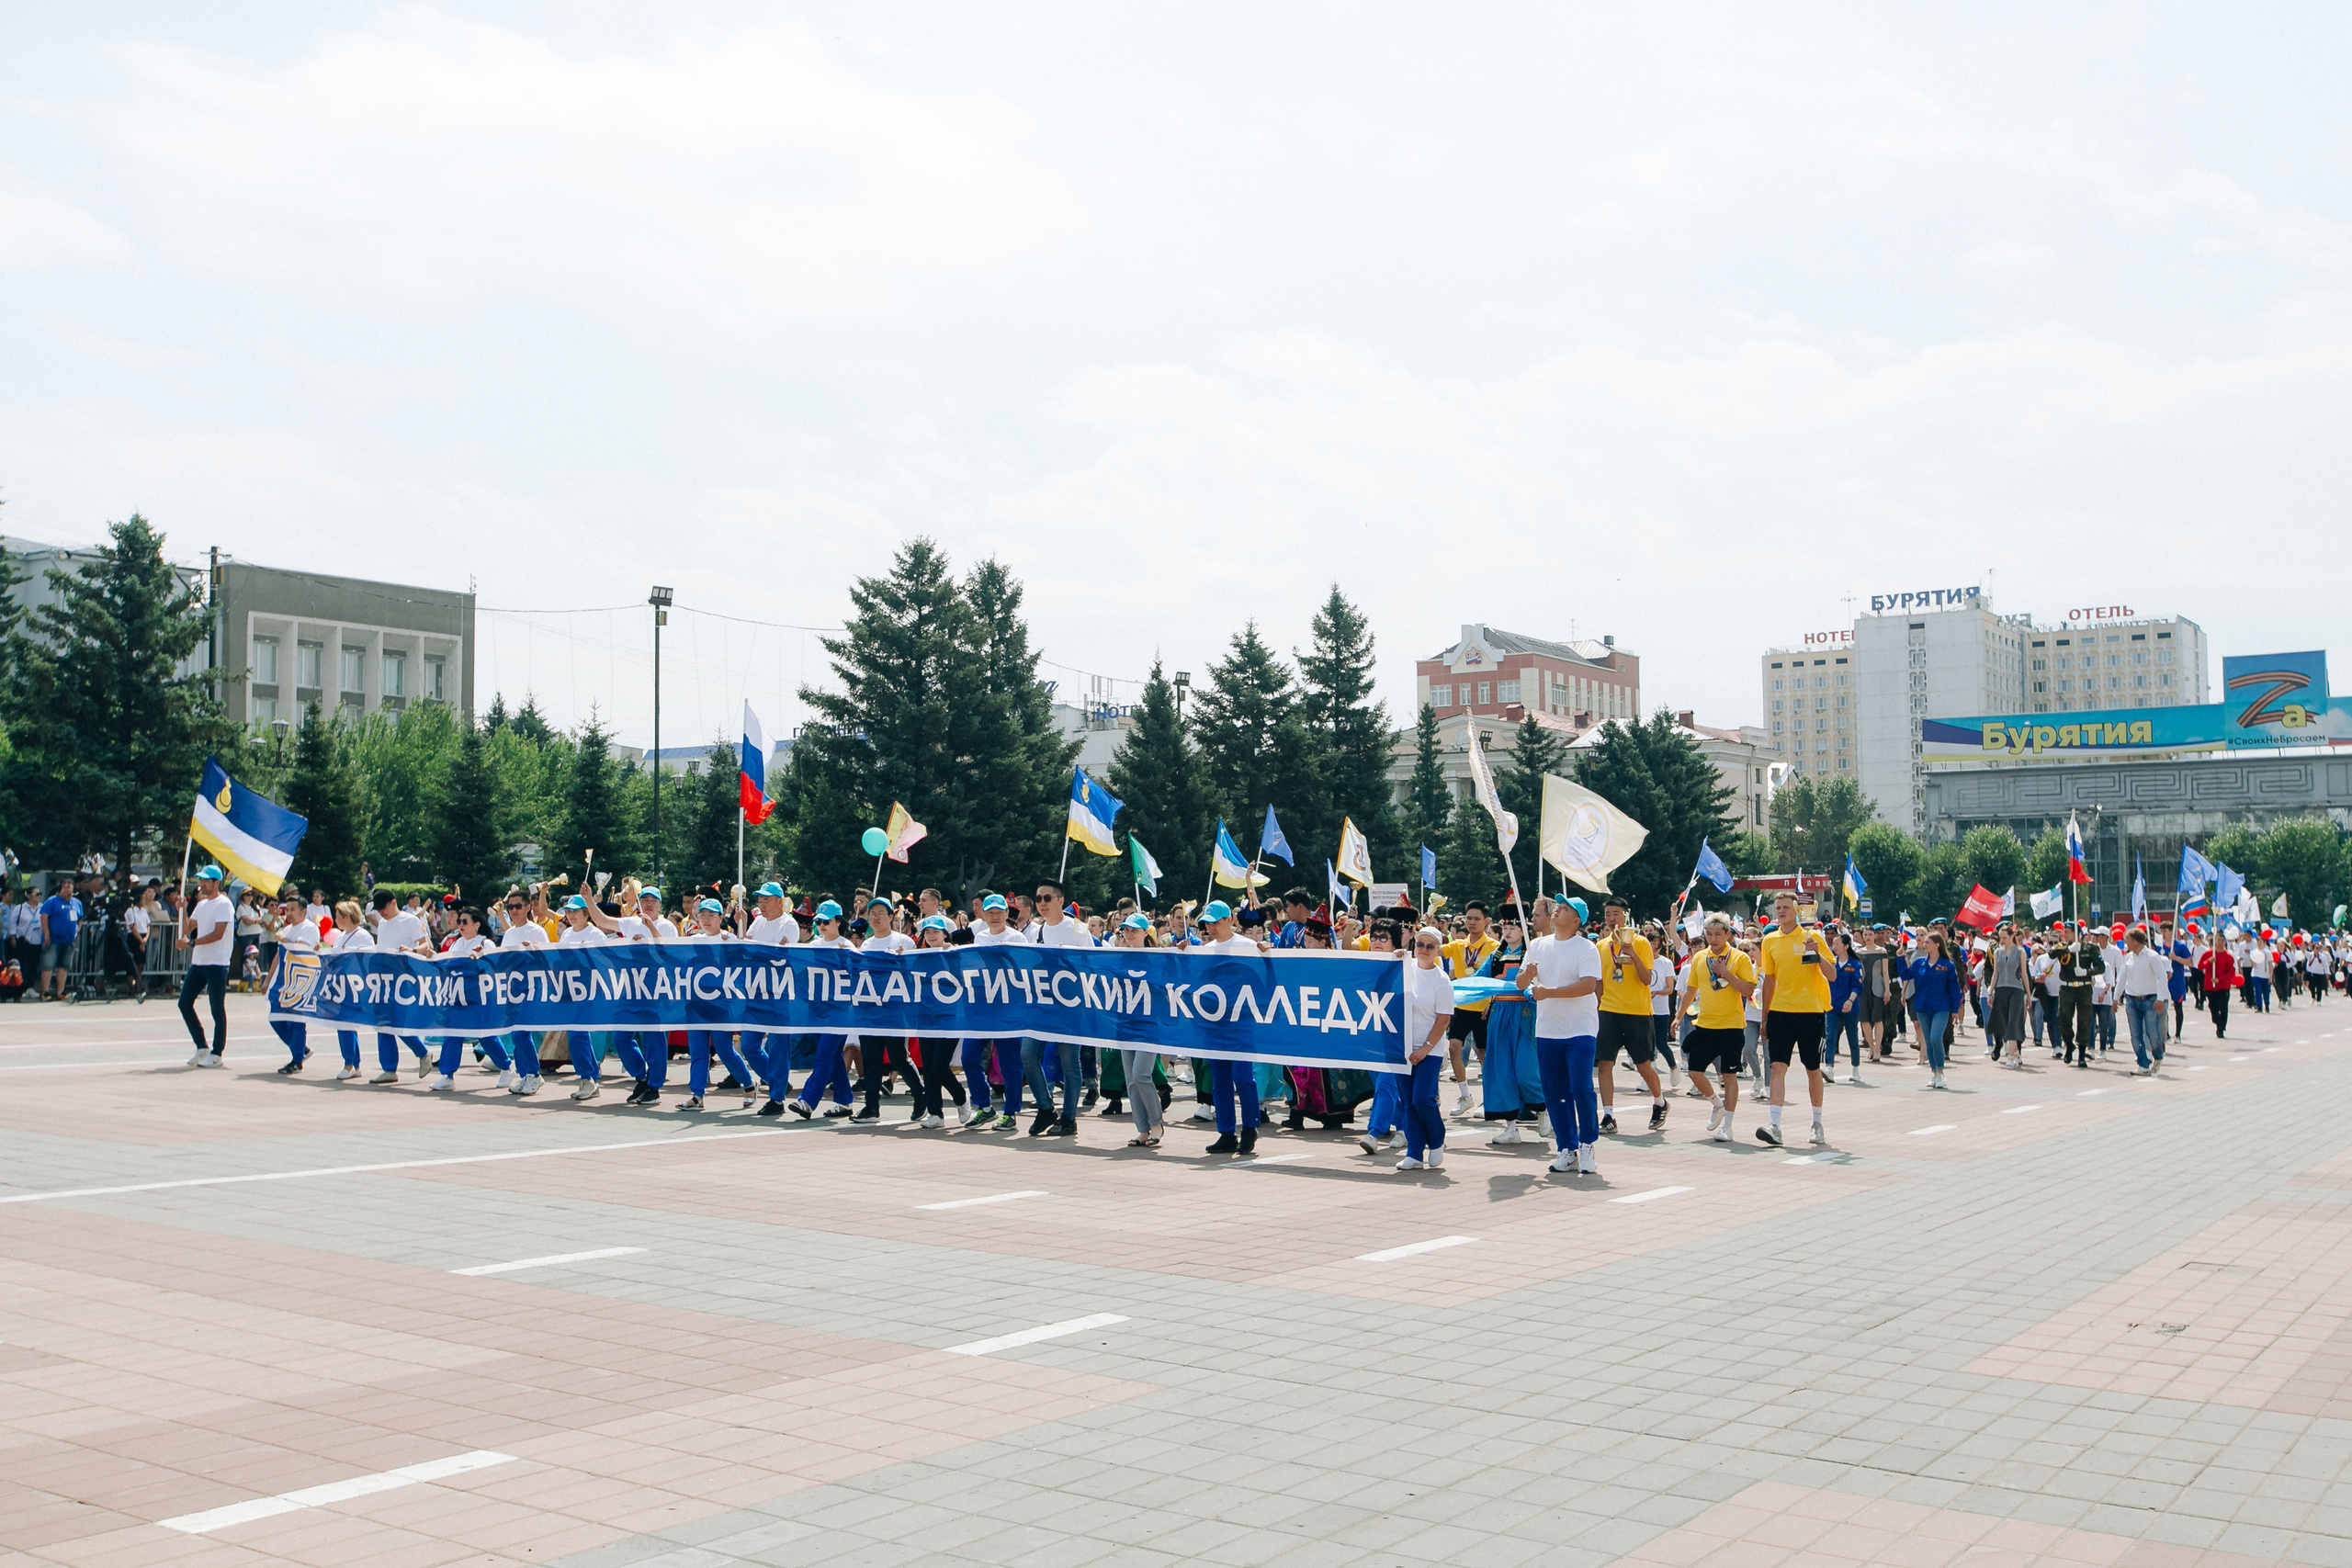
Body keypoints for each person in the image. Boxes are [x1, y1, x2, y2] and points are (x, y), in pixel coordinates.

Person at [1521, 897, 1602, 1175]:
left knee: (1580, 1088)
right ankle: (1567, 1149)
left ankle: (1588, 1142)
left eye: (1564, 909)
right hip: (1548, 1030)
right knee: (1554, 1093)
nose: (1557, 910)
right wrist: (1528, 975)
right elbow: (1521, 983)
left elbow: (1588, 986)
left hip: (1580, 1029)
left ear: (1576, 920)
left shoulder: (1586, 948)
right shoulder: (1537, 946)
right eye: (1557, 907)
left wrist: (1549, 992)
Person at [1755, 891, 1832, 1148]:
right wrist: (1764, 1017)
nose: (1781, 911)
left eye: (1786, 907)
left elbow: (1831, 975)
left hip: (1810, 1011)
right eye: (1778, 907)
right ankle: (1774, 1125)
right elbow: (1769, 980)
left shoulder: (1813, 936)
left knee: (1812, 1069)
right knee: (1777, 1066)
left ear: (1797, 910)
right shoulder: (1770, 940)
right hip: (1780, 1012)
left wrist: (1817, 954)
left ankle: (1817, 1123)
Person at [1021, 879, 1092, 1138]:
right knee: (1028, 1053)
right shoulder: (1035, 931)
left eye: (1047, 898)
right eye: (1039, 898)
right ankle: (1045, 1108)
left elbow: (1092, 964)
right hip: (1041, 1003)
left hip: (1069, 1005)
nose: (1042, 903)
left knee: (1069, 1061)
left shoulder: (1078, 930)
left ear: (1061, 900)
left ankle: (1069, 1117)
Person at [1196, 900, 1267, 1156]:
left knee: (1242, 1077)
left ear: (1230, 920)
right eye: (1208, 922)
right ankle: (1226, 1132)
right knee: (1220, 1082)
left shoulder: (1248, 947)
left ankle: (1250, 1127)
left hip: (1242, 1025)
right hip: (1214, 1026)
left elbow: (1268, 978)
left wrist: (1268, 952)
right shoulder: (1206, 950)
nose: (1211, 927)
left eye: (1216, 922)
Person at [1677, 914, 1755, 1143]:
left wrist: (1726, 973)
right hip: (1705, 1025)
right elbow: (1691, 990)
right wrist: (1678, 1016)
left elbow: (1748, 990)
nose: (1713, 939)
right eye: (1709, 934)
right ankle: (1716, 1104)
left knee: (1729, 1076)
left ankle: (1728, 1126)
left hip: (1731, 1026)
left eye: (1718, 934)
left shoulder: (1740, 958)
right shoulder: (1700, 958)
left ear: (1728, 934)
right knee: (1694, 1072)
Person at [1592, 897, 1667, 1134]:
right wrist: (1595, 1009)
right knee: (1605, 1063)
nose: (1612, 919)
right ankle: (1609, 1114)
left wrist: (1632, 954)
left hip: (1637, 1012)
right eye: (1607, 914)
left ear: (1626, 916)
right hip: (1608, 1011)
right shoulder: (1601, 946)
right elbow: (1600, 982)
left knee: (1643, 1065)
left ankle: (1660, 1102)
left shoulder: (1641, 943)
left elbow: (1647, 979)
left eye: (1616, 913)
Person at [1393, 927, 1456, 1172]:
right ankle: (1414, 1152)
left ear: (1438, 950)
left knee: (1423, 1098)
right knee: (1408, 1101)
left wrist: (1425, 1048)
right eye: (1420, 945)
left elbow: (1443, 1020)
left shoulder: (1442, 980)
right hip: (1403, 1047)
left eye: (1431, 946)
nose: (1424, 950)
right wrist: (1393, 957)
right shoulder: (1405, 968)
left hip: (1430, 1048)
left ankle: (1437, 1138)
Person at [786, 902, 857, 1120]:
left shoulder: (847, 946)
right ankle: (844, 1100)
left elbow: (858, 977)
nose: (822, 925)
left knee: (824, 1056)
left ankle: (807, 1100)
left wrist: (849, 961)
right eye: (818, 921)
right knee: (832, 1056)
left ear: (838, 922)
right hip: (816, 1010)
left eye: (826, 921)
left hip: (839, 1011)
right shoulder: (813, 945)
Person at [1439, 903, 1501, 1117]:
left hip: (1484, 1008)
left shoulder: (1495, 946)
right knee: (1454, 1048)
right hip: (1461, 1006)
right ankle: (1465, 1096)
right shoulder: (1457, 945)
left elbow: (1499, 977)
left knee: (1484, 1055)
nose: (1472, 922)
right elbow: (1431, 949)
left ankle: (1489, 1099)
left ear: (1486, 921)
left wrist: (1492, 1002)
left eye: (1476, 918)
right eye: (1468, 918)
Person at [1357, 920, 1407, 1156]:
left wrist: (1403, 959)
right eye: (1374, 936)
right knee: (1383, 1085)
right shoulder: (1362, 967)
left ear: (1395, 942)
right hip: (1371, 1037)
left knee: (1386, 1082)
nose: (1377, 941)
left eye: (1383, 937)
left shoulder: (1405, 965)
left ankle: (1374, 1132)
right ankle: (1407, 1126)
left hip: (1399, 1039)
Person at [176, 866, 236, 1065]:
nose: (201, 884)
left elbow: (218, 934)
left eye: (205, 880)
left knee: (216, 1008)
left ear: (216, 882)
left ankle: (217, 1053)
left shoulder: (224, 904)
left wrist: (191, 943)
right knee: (184, 1003)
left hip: (217, 963)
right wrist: (182, 910)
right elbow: (188, 928)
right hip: (199, 962)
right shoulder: (201, 905)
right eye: (200, 880)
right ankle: (202, 1046)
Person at [1906, 931, 1962, 1089]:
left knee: (1936, 1038)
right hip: (1923, 1007)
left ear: (1937, 945)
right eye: (1924, 942)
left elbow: (1954, 989)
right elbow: (1906, 974)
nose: (1924, 945)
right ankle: (1934, 1073)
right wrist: (1900, 958)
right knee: (1928, 1041)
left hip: (1941, 1007)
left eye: (1927, 942)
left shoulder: (1947, 965)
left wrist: (1955, 1009)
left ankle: (1941, 1072)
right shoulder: (1919, 963)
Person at [2117, 927, 2169, 1075]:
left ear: (2135, 941)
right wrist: (2116, 998)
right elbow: (2122, 978)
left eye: (2127, 940)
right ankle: (2143, 1064)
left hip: (2150, 1001)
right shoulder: (2128, 958)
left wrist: (2160, 998)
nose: (2125, 943)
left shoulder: (2152, 956)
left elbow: (2162, 977)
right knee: (2135, 1034)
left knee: (2152, 1033)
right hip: (2132, 1001)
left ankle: (2158, 1055)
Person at [1986, 926, 2029, 1066]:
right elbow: (1995, 974)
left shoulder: (2020, 952)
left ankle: (2011, 1056)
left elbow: (2024, 975)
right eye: (2000, 938)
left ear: (2011, 937)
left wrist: (2028, 994)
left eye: (2005, 938)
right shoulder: (1997, 952)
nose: (2002, 941)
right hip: (2001, 990)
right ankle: (2016, 1053)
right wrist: (1990, 992)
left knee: (2013, 1021)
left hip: (2016, 990)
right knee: (2000, 1022)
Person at [1826, 929, 1863, 1085]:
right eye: (1833, 944)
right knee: (1830, 1036)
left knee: (1852, 1037)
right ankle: (1828, 1067)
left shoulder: (1854, 964)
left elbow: (1858, 985)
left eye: (1837, 944)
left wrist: (1850, 1000)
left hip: (1850, 1007)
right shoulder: (1831, 963)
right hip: (1832, 1006)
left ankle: (1855, 1067)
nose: (1835, 947)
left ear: (1846, 946)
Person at [38, 880, 82, 1000]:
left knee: (64, 966)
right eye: (65, 887)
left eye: (70, 887)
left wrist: (77, 931)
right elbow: (44, 916)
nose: (68, 890)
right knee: (48, 965)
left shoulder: (77, 903)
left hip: (68, 940)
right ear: (60, 889)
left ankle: (60, 991)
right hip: (53, 940)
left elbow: (80, 918)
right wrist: (47, 934)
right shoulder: (52, 901)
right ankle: (45, 991)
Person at [2197, 937, 2238, 1040]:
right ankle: (2217, 1021)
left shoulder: (2228, 957)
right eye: (2218, 940)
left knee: (2224, 1007)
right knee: (2213, 1006)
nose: (2220, 943)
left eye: (2222, 940)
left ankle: (2221, 1028)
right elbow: (2200, 966)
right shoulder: (2208, 954)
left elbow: (2231, 972)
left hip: (2223, 986)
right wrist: (2209, 962)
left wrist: (2220, 979)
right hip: (2210, 986)